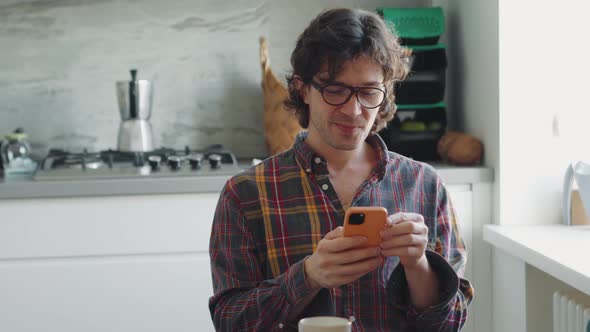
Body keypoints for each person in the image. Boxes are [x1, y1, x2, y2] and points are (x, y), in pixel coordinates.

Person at [209, 8, 473, 332]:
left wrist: (417, 266)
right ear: (303, 88)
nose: (353, 110)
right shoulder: (246, 194)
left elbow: (452, 323)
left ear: (385, 93)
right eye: (335, 89)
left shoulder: (425, 185)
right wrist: (309, 276)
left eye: (368, 92)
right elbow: (230, 322)